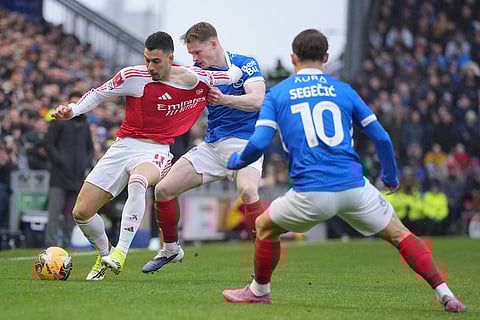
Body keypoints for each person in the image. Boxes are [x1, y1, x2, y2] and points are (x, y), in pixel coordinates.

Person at [221, 29, 466, 313]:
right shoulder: (343, 90)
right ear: (325, 58)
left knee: (264, 226)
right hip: (354, 187)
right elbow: (383, 138)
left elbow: (260, 141)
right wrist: (390, 176)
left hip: (310, 191)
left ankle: (259, 291)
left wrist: (237, 161)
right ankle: (445, 293)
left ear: (293, 57)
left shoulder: (278, 94)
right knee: (401, 235)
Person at [50, 31, 242, 280]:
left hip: (156, 150)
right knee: (81, 212)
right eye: (147, 60)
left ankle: (120, 252)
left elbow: (232, 75)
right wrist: (73, 110)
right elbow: (98, 93)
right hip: (123, 146)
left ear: (171, 58)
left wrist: (240, 63)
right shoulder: (133, 76)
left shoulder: (194, 79)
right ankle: (104, 253)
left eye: (156, 61)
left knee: (138, 182)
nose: (149, 66)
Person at [142, 22, 267, 273]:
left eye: (197, 53)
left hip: (244, 144)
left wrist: (225, 99)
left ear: (214, 44)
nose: (195, 59)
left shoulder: (244, 64)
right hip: (211, 146)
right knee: (164, 189)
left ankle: (262, 261)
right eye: (191, 54)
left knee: (249, 192)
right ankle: (170, 249)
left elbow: (258, 100)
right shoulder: (198, 71)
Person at [45, 91, 94, 248]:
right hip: (59, 175)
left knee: (72, 213)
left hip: (77, 176)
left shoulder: (84, 124)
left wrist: (85, 163)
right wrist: (61, 161)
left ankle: (66, 242)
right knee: (54, 211)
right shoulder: (59, 122)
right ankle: (51, 243)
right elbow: (49, 145)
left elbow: (90, 149)